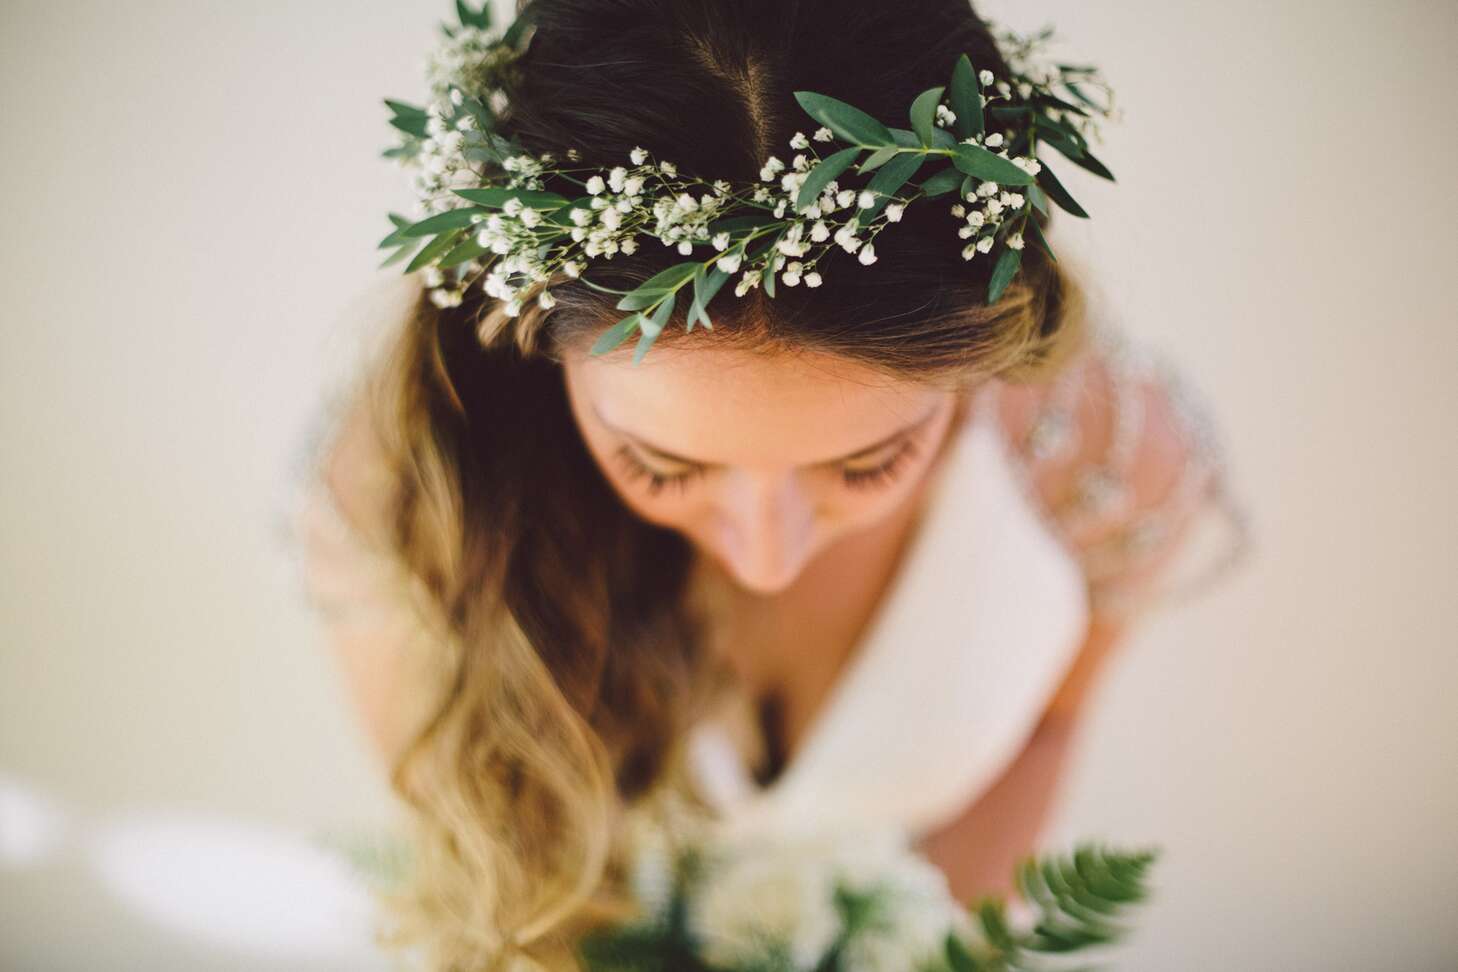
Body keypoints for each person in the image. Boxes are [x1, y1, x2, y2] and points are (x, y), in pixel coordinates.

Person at [288, 0, 1250, 968]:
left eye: (872, 461)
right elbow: (482, 880)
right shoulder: (412, 492)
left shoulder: (1097, 461)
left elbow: (1047, 727)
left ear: (983, 360)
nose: (766, 554)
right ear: (529, 340)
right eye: (659, 465)